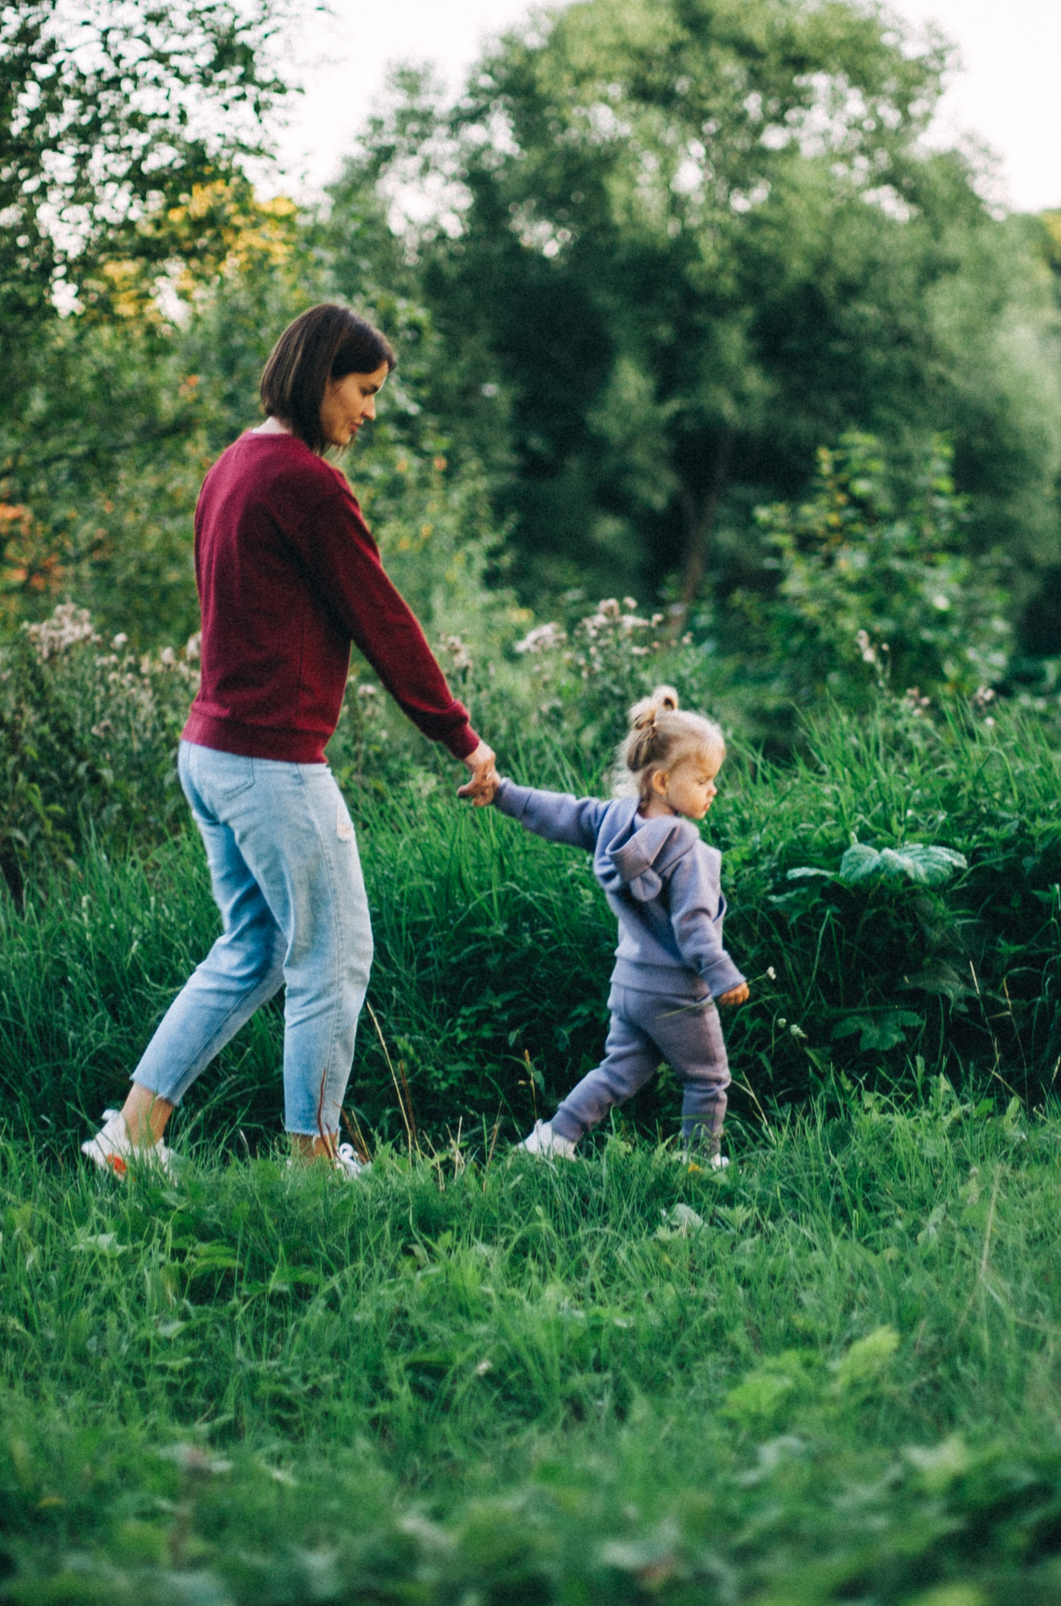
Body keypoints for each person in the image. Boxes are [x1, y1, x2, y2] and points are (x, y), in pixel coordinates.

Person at [82, 303, 498, 1179]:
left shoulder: (233, 463)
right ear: (319, 378)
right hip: (270, 764)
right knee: (333, 957)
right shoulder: (308, 485)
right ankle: (313, 1163)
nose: (370, 412)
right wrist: (459, 735)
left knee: (255, 948)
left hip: (211, 752)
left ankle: (131, 1138)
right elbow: (383, 619)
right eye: (363, 390)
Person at [487, 687, 749, 1165]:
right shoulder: (689, 851)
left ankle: (553, 1141)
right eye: (704, 779)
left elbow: (560, 812)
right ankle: (700, 1164)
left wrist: (503, 793)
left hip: (629, 984)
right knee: (708, 1079)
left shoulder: (612, 820)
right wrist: (722, 974)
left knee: (619, 1071)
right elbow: (693, 925)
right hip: (676, 992)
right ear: (663, 781)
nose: (713, 789)